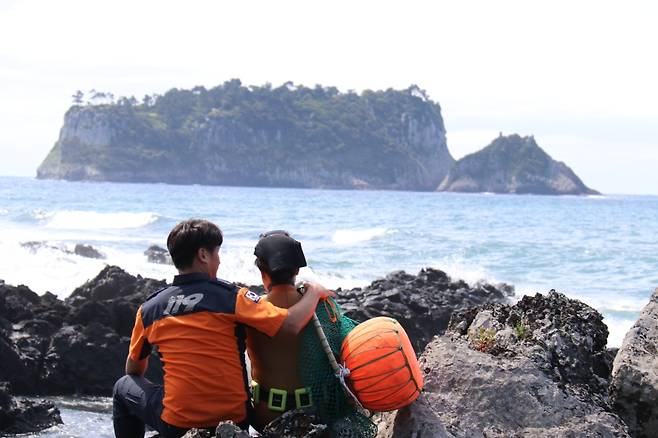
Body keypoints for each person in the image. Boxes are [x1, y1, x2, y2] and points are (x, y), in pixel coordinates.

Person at [112, 219, 335, 438]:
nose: (218, 261)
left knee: (124, 385)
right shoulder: (233, 297)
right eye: (216, 254)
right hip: (235, 418)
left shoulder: (149, 309)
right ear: (203, 255)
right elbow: (290, 323)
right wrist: (314, 291)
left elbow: (134, 369)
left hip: (177, 423)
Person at [246, 231, 360, 433]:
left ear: (262, 272)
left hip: (266, 416)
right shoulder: (323, 307)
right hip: (316, 414)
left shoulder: (253, 311)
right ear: (297, 269)